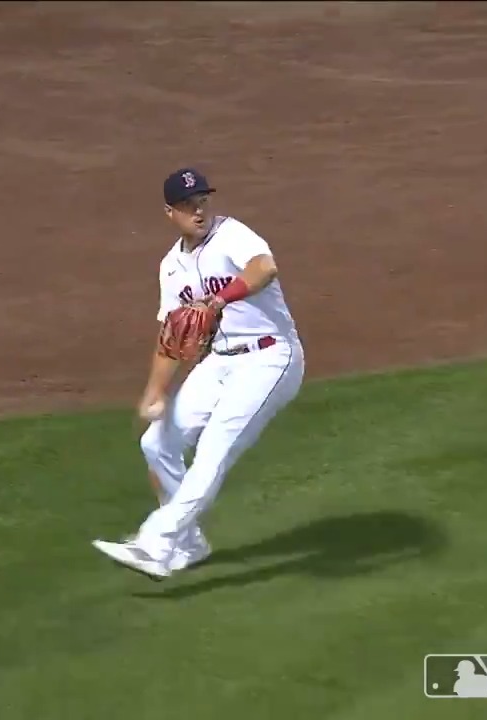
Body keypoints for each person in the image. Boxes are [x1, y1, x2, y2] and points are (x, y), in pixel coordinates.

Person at [92, 167, 305, 579]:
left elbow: (264, 268)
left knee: (213, 450)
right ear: (170, 212)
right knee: (156, 444)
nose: (199, 211)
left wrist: (218, 301)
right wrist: (154, 392)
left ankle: (157, 541)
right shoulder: (170, 267)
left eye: (203, 201)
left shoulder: (232, 235)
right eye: (188, 205)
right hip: (219, 361)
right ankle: (189, 544)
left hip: (269, 358)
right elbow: (173, 332)